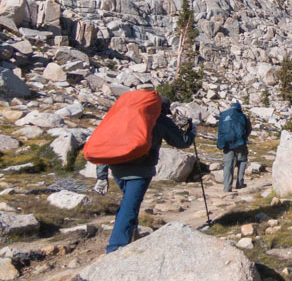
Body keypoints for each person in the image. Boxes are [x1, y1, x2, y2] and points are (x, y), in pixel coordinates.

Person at [96, 93, 195, 253]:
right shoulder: (160, 119)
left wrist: (101, 175)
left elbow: (105, 140)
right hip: (141, 170)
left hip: (117, 167)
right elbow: (182, 142)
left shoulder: (123, 115)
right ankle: (115, 248)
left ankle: (130, 236)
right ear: (162, 108)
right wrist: (191, 129)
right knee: (129, 208)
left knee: (129, 204)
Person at [215, 99, 251, 191]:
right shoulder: (242, 116)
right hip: (240, 143)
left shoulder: (223, 115)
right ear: (239, 108)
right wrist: (244, 137)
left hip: (226, 143)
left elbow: (220, 130)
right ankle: (239, 183)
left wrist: (221, 143)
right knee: (242, 161)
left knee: (228, 165)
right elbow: (249, 129)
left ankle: (227, 187)